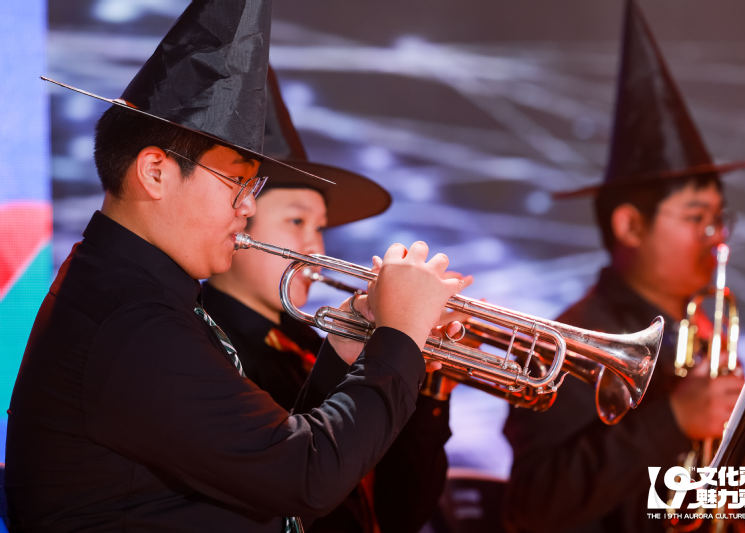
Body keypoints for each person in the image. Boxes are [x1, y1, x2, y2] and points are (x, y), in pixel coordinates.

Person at [4, 2, 464, 531]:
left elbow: (269, 466)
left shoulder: (130, 292)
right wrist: (400, 337)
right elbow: (304, 478)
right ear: (156, 172)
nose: (246, 208)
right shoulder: (129, 319)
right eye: (237, 182)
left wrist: (346, 350)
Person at [502, 1, 745, 532]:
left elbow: (699, 493)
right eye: (695, 217)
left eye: (718, 220)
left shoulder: (705, 333)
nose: (714, 238)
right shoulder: (568, 342)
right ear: (630, 226)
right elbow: (533, 507)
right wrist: (673, 421)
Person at [202, 65, 454, 533]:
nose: (316, 249)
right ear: (239, 223)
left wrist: (425, 380)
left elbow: (402, 512)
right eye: (297, 222)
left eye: (319, 227)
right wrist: (395, 343)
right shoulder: (205, 345)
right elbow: (295, 493)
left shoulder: (307, 341)